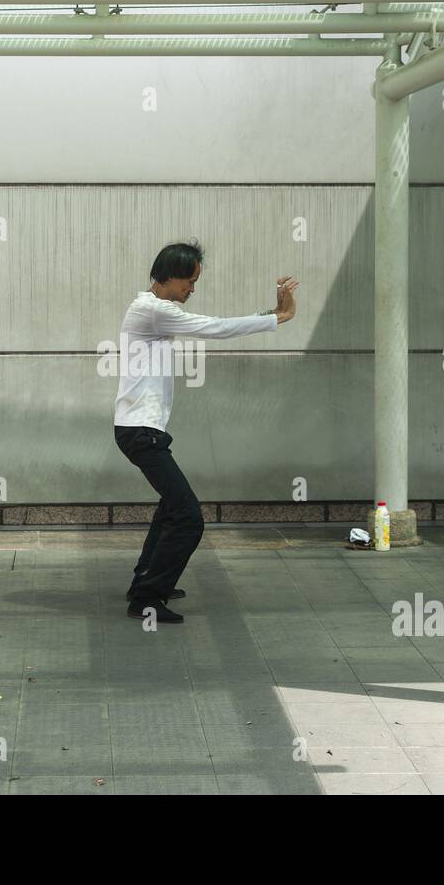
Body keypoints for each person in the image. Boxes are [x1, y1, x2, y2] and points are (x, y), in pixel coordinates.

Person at [112, 240, 298, 624]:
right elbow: (215, 328)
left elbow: (212, 325)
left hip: (143, 430)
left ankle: (144, 582)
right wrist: (277, 317)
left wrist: (271, 313)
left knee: (171, 509)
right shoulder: (153, 310)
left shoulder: (153, 310)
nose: (192, 290)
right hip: (140, 431)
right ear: (169, 276)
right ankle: (147, 598)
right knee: (189, 517)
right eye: (189, 282)